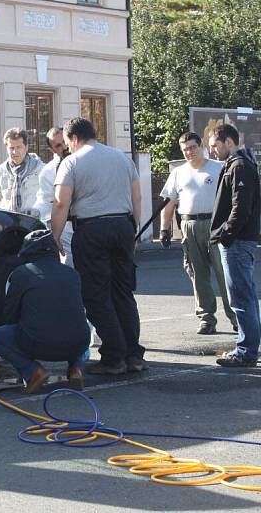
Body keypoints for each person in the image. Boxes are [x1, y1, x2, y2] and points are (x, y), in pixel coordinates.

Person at [51, 117, 146, 375]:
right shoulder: (121, 157)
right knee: (123, 293)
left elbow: (61, 203)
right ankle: (134, 355)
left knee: (96, 295)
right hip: (123, 226)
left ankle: (114, 357)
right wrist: (133, 231)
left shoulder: (71, 161)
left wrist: (55, 235)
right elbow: (137, 196)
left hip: (92, 230)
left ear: (73, 139)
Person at [0, 230, 90, 392]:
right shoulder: (72, 273)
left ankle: (33, 372)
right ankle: (76, 369)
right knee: (82, 331)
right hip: (77, 343)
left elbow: (9, 315)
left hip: (38, 344)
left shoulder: (22, 274)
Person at [160, 132, 237, 335]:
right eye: (185, 149)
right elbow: (169, 204)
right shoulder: (178, 173)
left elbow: (233, 198)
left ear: (201, 146)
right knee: (198, 275)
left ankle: (236, 317)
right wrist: (164, 229)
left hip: (216, 224)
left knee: (224, 273)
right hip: (190, 225)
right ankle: (206, 319)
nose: (189, 152)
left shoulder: (218, 168)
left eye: (193, 147)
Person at [208, 124, 260, 367]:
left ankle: (246, 350)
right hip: (237, 241)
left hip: (237, 243)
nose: (213, 152)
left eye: (215, 146)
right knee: (244, 297)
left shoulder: (239, 166)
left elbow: (241, 208)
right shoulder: (238, 164)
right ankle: (248, 347)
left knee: (241, 298)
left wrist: (225, 234)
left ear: (229, 141)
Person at [34, 126, 74, 267]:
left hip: (91, 226)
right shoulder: (48, 172)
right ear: (52, 150)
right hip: (67, 229)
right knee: (70, 267)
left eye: (64, 141)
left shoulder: (87, 160)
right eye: (58, 145)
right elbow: (47, 202)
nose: (64, 147)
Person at [0, 127, 43, 217]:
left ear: (26, 147)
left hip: (33, 222)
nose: (15, 151)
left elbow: (47, 199)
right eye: (11, 148)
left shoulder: (40, 169)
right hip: (9, 223)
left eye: (19, 147)